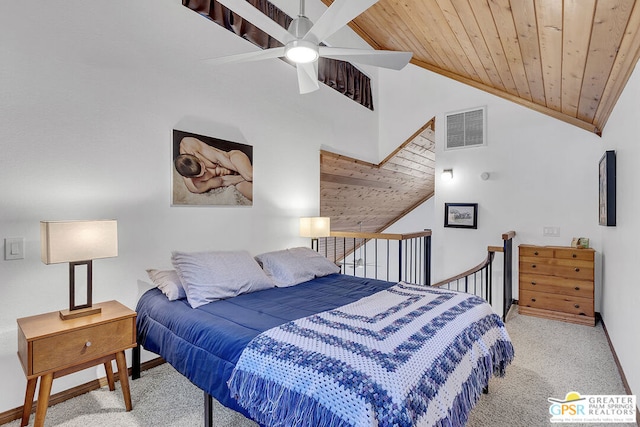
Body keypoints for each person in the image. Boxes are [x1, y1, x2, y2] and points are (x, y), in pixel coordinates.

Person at [174, 136, 253, 201]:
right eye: (203, 174)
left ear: (195, 156)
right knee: (250, 192)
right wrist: (241, 178)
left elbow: (219, 158)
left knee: (248, 175)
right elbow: (222, 181)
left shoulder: (189, 144)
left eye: (203, 166)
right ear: (189, 177)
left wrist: (242, 173)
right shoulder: (195, 186)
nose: (205, 170)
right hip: (232, 178)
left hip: (232, 159)